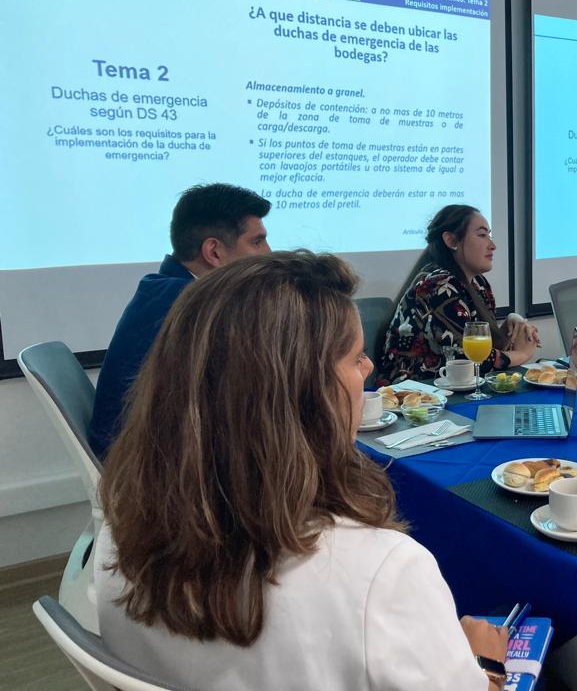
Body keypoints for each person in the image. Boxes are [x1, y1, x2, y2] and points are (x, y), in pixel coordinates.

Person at [95, 251, 508, 690]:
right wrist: (484, 662)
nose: (369, 369)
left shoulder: (116, 534)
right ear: (307, 395)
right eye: (356, 358)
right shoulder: (381, 572)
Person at [88, 183, 270, 460]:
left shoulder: (165, 289)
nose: (269, 253)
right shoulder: (192, 306)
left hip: (143, 449)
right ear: (214, 252)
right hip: (145, 463)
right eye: (257, 242)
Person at [377, 205, 538, 385]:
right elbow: (467, 361)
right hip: (413, 393)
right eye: (482, 235)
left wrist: (509, 326)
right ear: (451, 240)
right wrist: (522, 354)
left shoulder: (479, 284)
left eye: (489, 236)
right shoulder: (439, 285)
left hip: (453, 388)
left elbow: (480, 348)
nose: (492, 245)